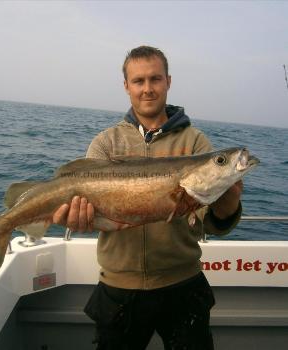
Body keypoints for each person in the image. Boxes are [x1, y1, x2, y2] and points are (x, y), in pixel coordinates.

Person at [53, 46, 243, 349]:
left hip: (184, 284)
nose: (148, 89)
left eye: (155, 79)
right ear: (126, 86)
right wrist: (79, 219)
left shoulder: (195, 142)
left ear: (168, 81)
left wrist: (227, 204)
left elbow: (208, 225)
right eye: (138, 81)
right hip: (118, 287)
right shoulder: (105, 143)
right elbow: (94, 217)